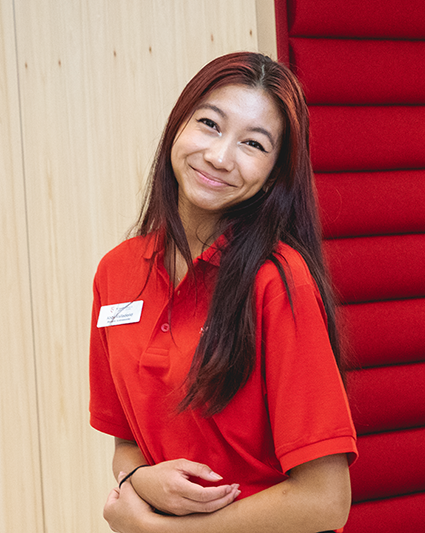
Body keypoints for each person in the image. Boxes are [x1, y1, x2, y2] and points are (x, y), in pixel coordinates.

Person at [90, 52, 357, 533]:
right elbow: (127, 438)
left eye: (253, 144)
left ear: (275, 173)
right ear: (178, 125)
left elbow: (326, 501)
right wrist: (138, 477)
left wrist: (168, 531)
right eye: (210, 124)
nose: (219, 156)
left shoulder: (277, 281)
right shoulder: (116, 271)